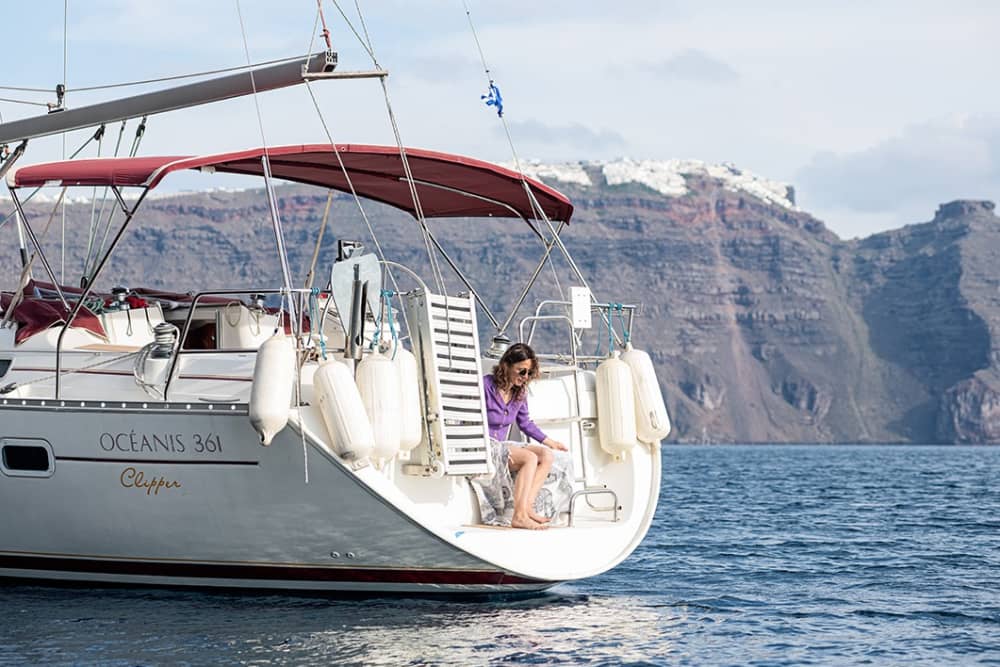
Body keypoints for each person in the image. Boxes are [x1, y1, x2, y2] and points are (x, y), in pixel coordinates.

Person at [483, 343, 568, 530]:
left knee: (546, 455)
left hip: (501, 444)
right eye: (522, 372)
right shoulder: (486, 386)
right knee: (529, 458)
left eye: (529, 373)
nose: (525, 377)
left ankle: (527, 507)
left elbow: (525, 423)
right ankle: (519, 516)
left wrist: (550, 442)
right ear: (506, 366)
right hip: (483, 444)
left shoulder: (519, 393)